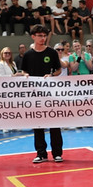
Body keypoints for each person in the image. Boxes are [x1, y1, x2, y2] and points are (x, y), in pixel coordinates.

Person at [19, 26, 66, 163]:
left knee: (54, 123)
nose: (43, 38)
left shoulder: (51, 52)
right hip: (34, 94)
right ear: (33, 36)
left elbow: (58, 70)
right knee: (38, 124)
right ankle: (41, 153)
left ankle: (57, 153)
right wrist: (25, 75)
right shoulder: (28, 55)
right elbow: (24, 71)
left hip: (50, 93)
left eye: (44, 36)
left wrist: (51, 75)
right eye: (40, 35)